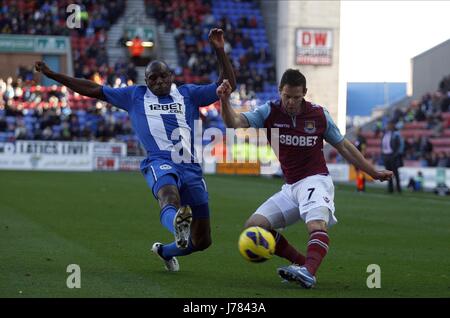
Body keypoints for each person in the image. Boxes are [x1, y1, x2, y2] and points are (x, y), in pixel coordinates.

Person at [35, 28, 236, 272]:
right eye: (153, 78)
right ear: (146, 81)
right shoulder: (134, 96)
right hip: (159, 160)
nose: (159, 81)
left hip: (190, 166)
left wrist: (218, 49)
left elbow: (227, 85)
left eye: (163, 76)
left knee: (202, 241)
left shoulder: (188, 94)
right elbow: (92, 89)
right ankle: (176, 222)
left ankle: (164, 250)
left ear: (171, 76)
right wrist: (54, 75)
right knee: (168, 195)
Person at [216, 69, 392, 288]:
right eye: (287, 96)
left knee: (316, 224)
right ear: (280, 91)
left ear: (305, 93)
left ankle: (308, 272)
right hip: (290, 187)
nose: (290, 102)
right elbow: (234, 122)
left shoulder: (318, 115)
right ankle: (301, 263)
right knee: (254, 227)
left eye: (296, 97)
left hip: (315, 180)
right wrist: (224, 100)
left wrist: (372, 171)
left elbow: (344, 146)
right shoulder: (268, 111)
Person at [381, 120, 404, 193]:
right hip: (386, 155)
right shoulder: (385, 134)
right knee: (388, 173)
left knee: (395, 173)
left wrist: (395, 154)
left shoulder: (395, 134)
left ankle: (398, 188)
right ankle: (390, 189)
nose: (388, 126)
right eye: (388, 125)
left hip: (392, 155)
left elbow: (399, 145)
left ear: (392, 126)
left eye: (389, 125)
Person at [353, 127, 367, 192]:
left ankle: (361, 188)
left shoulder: (362, 139)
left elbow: (363, 149)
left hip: (360, 158)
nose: (355, 132)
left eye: (356, 130)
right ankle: (359, 187)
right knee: (358, 173)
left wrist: (362, 158)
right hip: (356, 158)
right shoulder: (357, 139)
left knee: (361, 173)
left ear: (359, 131)